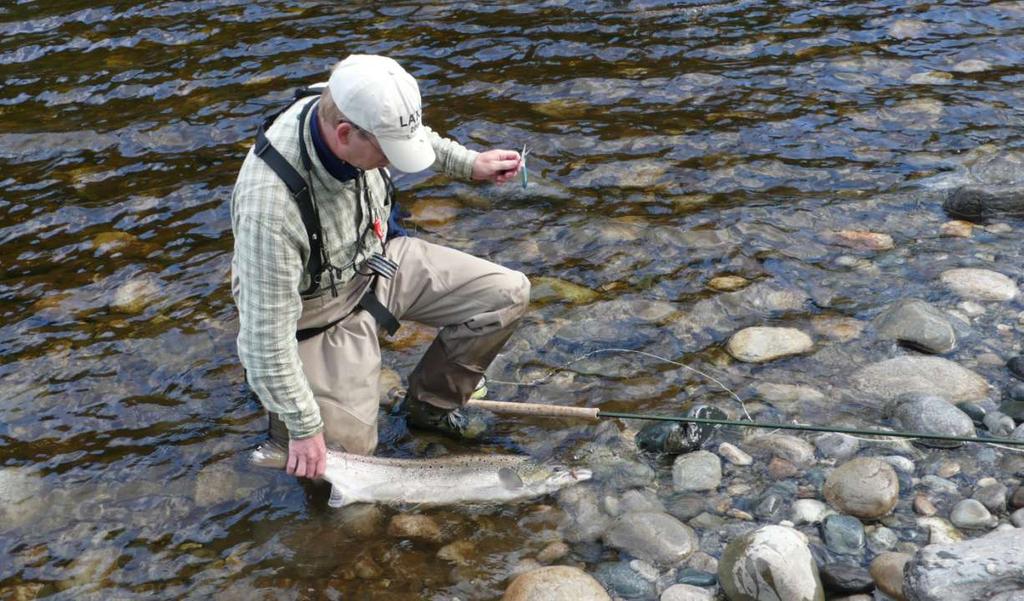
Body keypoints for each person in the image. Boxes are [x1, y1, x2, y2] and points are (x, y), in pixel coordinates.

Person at [230, 54, 530, 481]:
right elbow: (264, 341)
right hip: (316, 315)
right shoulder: (271, 208)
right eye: (387, 153)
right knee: (345, 459)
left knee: (507, 294)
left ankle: (430, 408)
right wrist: (302, 426)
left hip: (376, 263)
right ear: (344, 134)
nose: (393, 163)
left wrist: (469, 164)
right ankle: (302, 408)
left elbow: (411, 134)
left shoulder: (346, 100)